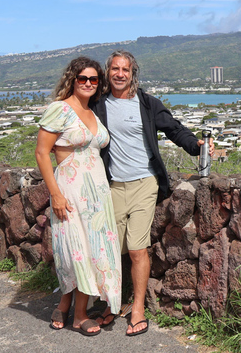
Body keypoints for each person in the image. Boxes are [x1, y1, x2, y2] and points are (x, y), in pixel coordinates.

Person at [92, 50, 212, 337]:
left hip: (144, 183)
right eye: (115, 69)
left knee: (136, 248)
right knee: (112, 249)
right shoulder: (98, 104)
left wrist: (197, 146)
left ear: (134, 73)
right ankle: (111, 303)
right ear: (108, 73)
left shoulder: (146, 104)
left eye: (126, 69)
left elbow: (174, 129)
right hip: (111, 185)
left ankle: (138, 309)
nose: (120, 74)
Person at [35, 57, 121, 336]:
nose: (87, 83)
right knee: (77, 251)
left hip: (97, 193)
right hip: (70, 191)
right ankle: (79, 315)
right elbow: (41, 153)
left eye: (93, 79)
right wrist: (56, 195)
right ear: (72, 79)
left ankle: (64, 304)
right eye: (82, 78)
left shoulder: (92, 111)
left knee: (93, 250)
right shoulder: (60, 109)